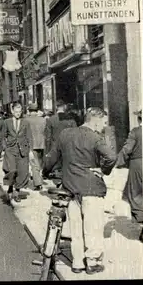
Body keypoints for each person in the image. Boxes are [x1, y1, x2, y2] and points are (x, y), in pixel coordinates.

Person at [43, 107, 116, 274]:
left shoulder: (65, 134)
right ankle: (92, 261)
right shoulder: (95, 137)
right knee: (93, 226)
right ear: (95, 120)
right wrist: (102, 170)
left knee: (76, 226)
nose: (103, 127)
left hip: (69, 186)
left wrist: (45, 172)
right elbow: (111, 157)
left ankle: (77, 262)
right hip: (91, 187)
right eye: (103, 123)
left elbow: (51, 157)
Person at [116, 109, 143, 242]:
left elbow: (127, 149)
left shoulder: (135, 132)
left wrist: (117, 162)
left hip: (138, 165)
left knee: (136, 193)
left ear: (139, 119)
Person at [1, 102, 33, 202]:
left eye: (20, 112)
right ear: (12, 111)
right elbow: (3, 136)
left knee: (22, 171)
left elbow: (29, 137)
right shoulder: (7, 122)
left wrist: (30, 150)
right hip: (10, 150)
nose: (18, 113)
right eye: (16, 111)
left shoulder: (26, 122)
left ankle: (16, 192)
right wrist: (5, 148)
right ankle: (10, 187)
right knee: (12, 170)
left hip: (22, 150)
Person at [25, 103, 46, 191]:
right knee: (40, 163)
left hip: (32, 144)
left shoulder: (26, 120)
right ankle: (39, 177)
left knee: (34, 163)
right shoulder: (43, 120)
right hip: (42, 143)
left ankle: (38, 183)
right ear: (37, 111)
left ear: (29, 111)